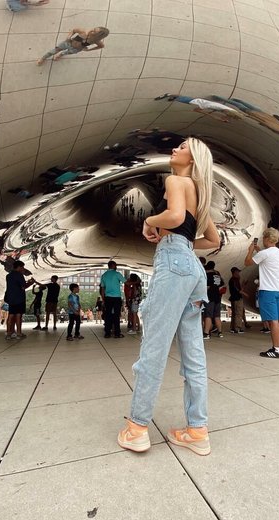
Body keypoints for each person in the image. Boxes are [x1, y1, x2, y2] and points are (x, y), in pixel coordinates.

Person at [117, 137, 220, 456]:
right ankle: (197, 431)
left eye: (183, 147)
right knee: (193, 354)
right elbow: (213, 240)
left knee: (155, 347)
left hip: (174, 263)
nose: (175, 149)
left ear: (194, 158)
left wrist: (150, 221)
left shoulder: (176, 181)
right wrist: (184, 242)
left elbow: (174, 217)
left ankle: (137, 428)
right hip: (192, 269)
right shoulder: (199, 194)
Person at [245, 229, 279, 359]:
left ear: (267, 239)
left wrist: (250, 251)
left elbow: (247, 262)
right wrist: (258, 251)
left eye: (263, 237)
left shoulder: (264, 253)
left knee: (272, 321)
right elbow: (267, 259)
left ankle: (276, 350)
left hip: (267, 291)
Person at [37, 27, 109, 64]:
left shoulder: (96, 41)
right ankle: (43, 58)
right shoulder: (84, 32)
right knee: (53, 51)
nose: (91, 31)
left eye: (94, 32)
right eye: (94, 29)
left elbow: (101, 46)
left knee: (65, 53)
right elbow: (74, 30)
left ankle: (60, 55)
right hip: (68, 43)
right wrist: (68, 37)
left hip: (76, 49)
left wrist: (88, 50)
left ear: (98, 36)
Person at [4, 260, 34, 340]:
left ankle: (8, 333)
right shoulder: (19, 275)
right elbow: (23, 286)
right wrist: (31, 283)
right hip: (19, 298)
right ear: (19, 267)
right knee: (18, 316)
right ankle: (19, 333)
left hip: (11, 298)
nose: (23, 269)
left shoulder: (8, 276)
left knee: (10, 316)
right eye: (22, 267)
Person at [100, 261, 125, 338]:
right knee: (116, 315)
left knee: (108, 315)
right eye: (116, 265)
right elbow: (126, 282)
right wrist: (135, 282)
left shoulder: (104, 275)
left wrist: (103, 299)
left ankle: (107, 333)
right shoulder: (117, 274)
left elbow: (102, 288)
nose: (116, 267)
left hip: (108, 297)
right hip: (116, 297)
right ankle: (117, 333)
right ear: (113, 265)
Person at [203, 261, 224, 339]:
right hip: (217, 298)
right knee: (217, 316)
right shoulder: (217, 276)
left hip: (210, 297)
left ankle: (206, 333)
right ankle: (220, 332)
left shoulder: (207, 276)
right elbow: (221, 285)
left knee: (208, 316)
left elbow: (207, 287)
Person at [228, 267, 245, 334]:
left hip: (234, 298)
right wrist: (246, 294)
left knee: (235, 314)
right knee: (238, 313)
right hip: (237, 298)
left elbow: (239, 290)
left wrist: (243, 285)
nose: (239, 273)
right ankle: (237, 328)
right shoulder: (234, 280)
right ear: (235, 272)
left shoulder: (234, 280)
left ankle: (233, 328)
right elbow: (239, 291)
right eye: (238, 272)